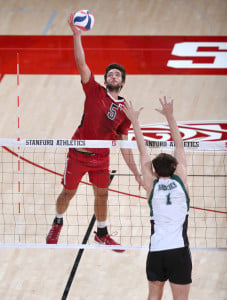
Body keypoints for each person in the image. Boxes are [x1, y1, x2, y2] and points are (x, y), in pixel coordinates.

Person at [46, 13, 143, 252]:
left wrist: (137, 174)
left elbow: (124, 145)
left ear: (122, 83)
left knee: (102, 196)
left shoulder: (124, 110)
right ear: (105, 79)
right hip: (78, 154)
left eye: (117, 75)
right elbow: (81, 63)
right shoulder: (93, 90)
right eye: (109, 73)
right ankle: (57, 221)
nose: (112, 76)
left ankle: (102, 233)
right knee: (68, 193)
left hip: (101, 158)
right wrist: (76, 35)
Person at [123, 97, 192, 299]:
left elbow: (143, 151)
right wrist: (170, 117)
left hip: (157, 252)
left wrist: (135, 121)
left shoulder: (151, 185)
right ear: (175, 168)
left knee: (153, 295)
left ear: (153, 170)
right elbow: (179, 145)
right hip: (178, 251)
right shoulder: (181, 181)